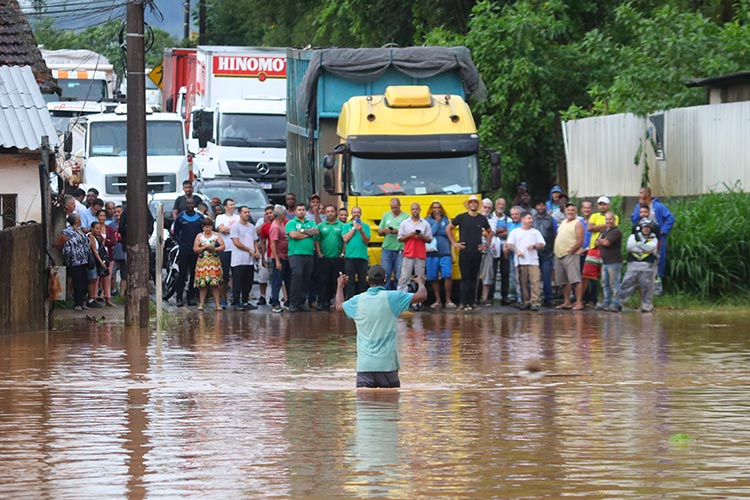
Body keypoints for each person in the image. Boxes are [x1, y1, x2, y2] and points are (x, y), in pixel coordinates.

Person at [336, 265, 427, 388]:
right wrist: (421, 283)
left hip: (365, 367)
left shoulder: (357, 301)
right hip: (387, 366)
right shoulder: (393, 298)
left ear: (368, 280)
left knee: (365, 406)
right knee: (389, 405)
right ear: (385, 280)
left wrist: (340, 285)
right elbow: (422, 296)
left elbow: (339, 306)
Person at [446, 195, 491, 311]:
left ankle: (472, 302)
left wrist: (486, 245)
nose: (473, 204)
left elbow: (490, 232)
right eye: (471, 202)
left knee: (474, 278)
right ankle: (462, 302)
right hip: (464, 252)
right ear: (469, 204)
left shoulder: (482, 218)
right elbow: (448, 228)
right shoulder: (461, 217)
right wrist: (454, 243)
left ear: (477, 205)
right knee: (464, 278)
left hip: (477, 252)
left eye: (476, 203)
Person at [630, 186, 674, 295]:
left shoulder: (658, 206)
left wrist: (663, 231)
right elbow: (634, 220)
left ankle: (657, 289)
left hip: (657, 239)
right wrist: (639, 208)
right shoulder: (638, 207)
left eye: (641, 192)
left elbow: (670, 218)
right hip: (643, 239)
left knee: (657, 261)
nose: (639, 194)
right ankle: (643, 288)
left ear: (647, 194)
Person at [505, 212, 546, 310]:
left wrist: (534, 246)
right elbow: (510, 244)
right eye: (528, 218)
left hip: (533, 261)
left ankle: (535, 302)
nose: (531, 220)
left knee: (535, 281)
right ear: (522, 219)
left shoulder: (535, 232)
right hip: (520, 261)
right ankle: (525, 301)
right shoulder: (515, 232)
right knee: (522, 282)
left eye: (531, 218)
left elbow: (542, 243)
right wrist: (517, 251)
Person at [618, 218, 659, 312]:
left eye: (648, 227)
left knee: (647, 286)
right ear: (641, 227)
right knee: (626, 284)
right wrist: (644, 248)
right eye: (645, 227)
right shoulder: (633, 236)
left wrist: (639, 245)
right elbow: (630, 247)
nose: (646, 229)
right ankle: (618, 302)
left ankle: (646, 306)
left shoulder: (654, 238)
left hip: (647, 266)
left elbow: (652, 248)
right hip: (633, 265)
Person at [396, 203, 432, 305]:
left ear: (420, 210)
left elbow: (429, 239)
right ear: (410, 210)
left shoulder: (425, 224)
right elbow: (399, 238)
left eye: (416, 209)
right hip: (408, 253)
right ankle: (400, 300)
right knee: (404, 278)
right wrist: (409, 235)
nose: (415, 211)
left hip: (420, 254)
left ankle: (418, 302)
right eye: (413, 209)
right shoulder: (405, 223)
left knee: (420, 279)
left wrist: (421, 237)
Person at [286, 203, 320, 312]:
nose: (301, 211)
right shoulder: (291, 223)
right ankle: (293, 303)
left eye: (303, 209)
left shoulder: (311, 222)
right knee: (297, 277)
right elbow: (293, 235)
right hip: (295, 254)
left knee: (306, 278)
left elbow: (316, 231)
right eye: (299, 209)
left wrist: (302, 231)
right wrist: (308, 233)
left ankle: (301, 302)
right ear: (295, 212)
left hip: (309, 254)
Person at [553, 202, 585, 310]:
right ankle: (567, 302)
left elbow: (580, 240)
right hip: (559, 255)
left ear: (576, 212)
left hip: (571, 254)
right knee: (564, 281)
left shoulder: (578, 223)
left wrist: (572, 251)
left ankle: (579, 302)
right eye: (568, 210)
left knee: (575, 280)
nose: (570, 212)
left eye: (572, 210)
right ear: (565, 211)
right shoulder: (563, 222)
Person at [173, 197, 204, 307]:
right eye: (188, 203)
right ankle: (179, 298)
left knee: (194, 274)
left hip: (195, 250)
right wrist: (180, 242)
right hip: (184, 249)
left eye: (192, 203)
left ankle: (190, 298)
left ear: (194, 204)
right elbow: (175, 232)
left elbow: (203, 232)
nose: (190, 205)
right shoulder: (180, 217)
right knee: (182, 274)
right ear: (185, 205)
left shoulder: (200, 218)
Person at [425, 200, 456, 309]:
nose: (437, 210)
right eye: (434, 208)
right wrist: (437, 224)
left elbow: (448, 232)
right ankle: (437, 300)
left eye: (438, 207)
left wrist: (439, 230)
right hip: (432, 253)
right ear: (431, 209)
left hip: (445, 252)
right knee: (433, 277)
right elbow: (429, 234)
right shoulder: (427, 220)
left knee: (447, 275)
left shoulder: (446, 219)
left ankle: (448, 300)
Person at [57, 213, 90, 311]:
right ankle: (77, 303)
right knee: (77, 282)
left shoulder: (79, 230)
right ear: (75, 220)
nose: (80, 220)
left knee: (84, 282)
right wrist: (67, 253)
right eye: (79, 219)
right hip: (74, 260)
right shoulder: (68, 231)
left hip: (83, 259)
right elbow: (59, 243)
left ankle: (82, 302)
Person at [230, 206, 260, 311]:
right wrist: (249, 250)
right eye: (245, 212)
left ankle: (245, 300)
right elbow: (236, 242)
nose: (247, 214)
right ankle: (237, 301)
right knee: (238, 281)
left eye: (248, 212)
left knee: (248, 281)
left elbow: (255, 240)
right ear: (240, 214)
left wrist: (256, 251)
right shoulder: (235, 227)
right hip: (238, 259)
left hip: (249, 260)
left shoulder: (251, 227)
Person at [316, 204, 345, 311]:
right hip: (325, 258)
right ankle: (323, 302)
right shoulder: (320, 226)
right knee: (323, 281)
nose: (330, 213)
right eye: (327, 211)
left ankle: (335, 302)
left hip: (337, 258)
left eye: (332, 211)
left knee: (336, 281)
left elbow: (344, 241)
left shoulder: (342, 226)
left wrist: (343, 253)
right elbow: (317, 240)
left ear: (335, 212)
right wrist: (319, 253)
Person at [192, 217, 225, 311]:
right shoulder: (199, 236)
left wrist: (214, 249)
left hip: (213, 262)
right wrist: (204, 247)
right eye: (206, 227)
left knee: (214, 284)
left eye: (210, 227)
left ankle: (217, 304)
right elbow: (195, 249)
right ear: (203, 227)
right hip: (202, 263)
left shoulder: (216, 235)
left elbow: (223, 246)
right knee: (202, 284)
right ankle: (201, 303)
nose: (208, 229)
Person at [378, 198, 409, 290]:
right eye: (392, 208)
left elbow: (409, 233)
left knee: (399, 275)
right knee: (385, 274)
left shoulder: (406, 217)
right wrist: (385, 230)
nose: (394, 209)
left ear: (400, 206)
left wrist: (397, 232)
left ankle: (398, 296)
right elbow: (379, 231)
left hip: (400, 249)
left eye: (395, 207)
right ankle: (386, 296)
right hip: (387, 249)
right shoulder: (386, 216)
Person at [594, 211, 623, 312]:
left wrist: (601, 241)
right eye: (606, 219)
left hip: (614, 261)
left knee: (614, 283)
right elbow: (596, 242)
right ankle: (606, 302)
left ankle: (616, 303)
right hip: (605, 261)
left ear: (614, 219)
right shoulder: (604, 230)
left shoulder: (616, 231)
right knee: (605, 283)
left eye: (610, 219)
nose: (608, 221)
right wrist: (601, 241)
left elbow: (606, 243)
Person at [532, 199, 558, 307]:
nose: (541, 207)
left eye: (543, 205)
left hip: (548, 252)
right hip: (534, 253)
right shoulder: (532, 220)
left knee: (547, 277)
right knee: (535, 278)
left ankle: (549, 298)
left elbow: (556, 234)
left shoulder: (551, 219)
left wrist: (555, 249)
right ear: (536, 207)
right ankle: (535, 298)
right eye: (539, 205)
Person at [215, 198, 240, 307]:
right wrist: (235, 229)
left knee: (237, 275)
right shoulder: (220, 217)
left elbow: (241, 229)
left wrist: (229, 229)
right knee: (224, 276)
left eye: (233, 204)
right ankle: (223, 299)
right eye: (230, 205)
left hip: (237, 250)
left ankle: (236, 298)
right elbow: (222, 229)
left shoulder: (238, 217)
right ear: (225, 207)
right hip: (225, 250)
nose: (232, 206)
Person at [343, 206, 371, 299]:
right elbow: (345, 239)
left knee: (362, 281)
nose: (356, 214)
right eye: (354, 212)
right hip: (350, 257)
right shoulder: (346, 226)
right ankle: (350, 300)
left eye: (358, 212)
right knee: (350, 281)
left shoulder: (366, 226)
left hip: (362, 257)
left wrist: (361, 230)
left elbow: (367, 241)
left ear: (360, 214)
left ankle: (362, 299)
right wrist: (354, 229)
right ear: (351, 214)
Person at [489, 197, 511, 306]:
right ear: (495, 205)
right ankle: (490, 297)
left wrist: (497, 232)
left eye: (503, 204)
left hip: (504, 247)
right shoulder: (490, 217)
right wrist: (501, 231)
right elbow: (489, 232)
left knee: (505, 273)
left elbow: (510, 232)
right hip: (493, 248)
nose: (501, 206)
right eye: (499, 204)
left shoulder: (508, 219)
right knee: (491, 273)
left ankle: (505, 297)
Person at [269, 204, 291, 313]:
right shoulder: (275, 227)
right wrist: (277, 261)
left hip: (285, 257)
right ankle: (275, 303)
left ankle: (288, 302)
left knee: (287, 280)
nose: (285, 215)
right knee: (277, 281)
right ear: (280, 215)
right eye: (284, 214)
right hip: (279, 258)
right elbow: (273, 244)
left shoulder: (281, 224)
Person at [96, 209, 117, 306]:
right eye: (100, 216)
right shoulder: (95, 228)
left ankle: (107, 298)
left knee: (107, 277)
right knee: (96, 278)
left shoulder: (109, 229)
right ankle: (95, 297)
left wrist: (105, 241)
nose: (102, 218)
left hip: (108, 256)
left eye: (104, 216)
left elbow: (113, 241)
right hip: (97, 256)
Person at [479, 198, 497, 306]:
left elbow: (490, 233)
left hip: (487, 248)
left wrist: (482, 231)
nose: (487, 209)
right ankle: (474, 298)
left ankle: (485, 299)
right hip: (475, 248)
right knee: (474, 275)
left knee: (487, 274)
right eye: (485, 207)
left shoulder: (493, 219)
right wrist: (484, 231)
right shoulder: (474, 217)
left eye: (489, 208)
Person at [256, 205, 275, 306]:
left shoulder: (278, 222)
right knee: (263, 275)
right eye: (267, 213)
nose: (269, 215)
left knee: (274, 276)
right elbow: (256, 232)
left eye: (270, 213)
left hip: (275, 252)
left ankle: (273, 296)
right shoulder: (261, 221)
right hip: (265, 251)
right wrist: (265, 223)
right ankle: (262, 296)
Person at [87, 221, 109, 308]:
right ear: (92, 228)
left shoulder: (97, 238)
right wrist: (101, 262)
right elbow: (94, 251)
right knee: (92, 280)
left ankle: (92, 298)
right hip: (91, 261)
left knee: (94, 279)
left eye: (100, 229)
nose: (98, 230)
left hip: (94, 261)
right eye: (96, 228)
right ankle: (91, 299)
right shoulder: (91, 237)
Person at [504, 206, 523, 305]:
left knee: (520, 278)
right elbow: (508, 238)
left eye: (516, 214)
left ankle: (521, 299)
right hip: (511, 256)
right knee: (513, 277)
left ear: (520, 215)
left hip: (520, 256)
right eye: (512, 214)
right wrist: (505, 247)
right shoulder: (510, 225)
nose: (514, 216)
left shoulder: (523, 225)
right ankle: (518, 297)